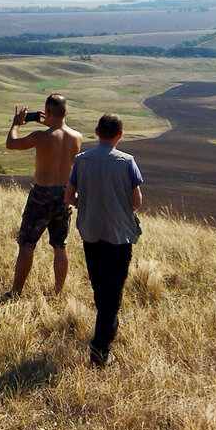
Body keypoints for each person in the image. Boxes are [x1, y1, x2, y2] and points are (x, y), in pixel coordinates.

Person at [64, 112, 143, 367]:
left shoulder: (82, 160)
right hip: (119, 236)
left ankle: (105, 330)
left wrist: (85, 202)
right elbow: (137, 201)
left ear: (97, 132)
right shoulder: (127, 161)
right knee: (112, 294)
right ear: (119, 135)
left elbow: (68, 197)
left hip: (91, 232)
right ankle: (100, 352)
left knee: (101, 289)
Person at [4, 93, 83, 296]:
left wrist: (16, 124)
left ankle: (16, 292)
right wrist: (53, 122)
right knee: (60, 245)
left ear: (47, 112)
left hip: (41, 196)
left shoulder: (40, 136)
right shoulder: (77, 137)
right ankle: (57, 292)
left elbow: (11, 143)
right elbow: (60, 135)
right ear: (66, 112)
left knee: (27, 244)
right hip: (64, 196)